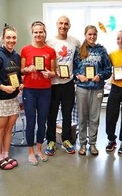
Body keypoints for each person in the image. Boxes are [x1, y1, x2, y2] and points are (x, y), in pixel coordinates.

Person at [20, 21, 56, 165]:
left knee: (42, 121)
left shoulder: (50, 51)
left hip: (45, 91)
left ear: (44, 33)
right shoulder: (25, 50)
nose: (38, 34)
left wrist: (50, 74)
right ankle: (30, 152)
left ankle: (39, 149)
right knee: (31, 122)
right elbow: (21, 70)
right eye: (36, 32)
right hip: (29, 90)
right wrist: (27, 69)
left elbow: (54, 72)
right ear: (32, 33)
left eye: (41, 32)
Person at [73, 25, 111, 156]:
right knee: (82, 117)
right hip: (82, 89)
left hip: (97, 89)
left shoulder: (101, 50)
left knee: (94, 118)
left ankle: (93, 144)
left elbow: (108, 70)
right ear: (85, 35)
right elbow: (73, 69)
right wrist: (79, 76)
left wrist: (99, 76)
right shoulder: (79, 50)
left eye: (94, 34)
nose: (92, 37)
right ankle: (82, 144)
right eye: (89, 34)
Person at [45, 16, 80, 156]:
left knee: (67, 114)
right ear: (56, 24)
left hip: (68, 84)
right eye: (61, 23)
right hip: (53, 85)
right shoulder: (49, 42)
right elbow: (46, 62)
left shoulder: (75, 42)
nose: (63, 26)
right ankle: (51, 141)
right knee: (51, 114)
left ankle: (66, 140)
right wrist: (54, 72)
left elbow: (79, 60)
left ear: (69, 26)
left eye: (66, 24)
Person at [0, 25, 22, 170]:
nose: (11, 40)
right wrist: (3, 87)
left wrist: (20, 85)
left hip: (13, 99)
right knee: (0, 130)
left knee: (9, 128)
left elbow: (18, 76)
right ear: (2, 39)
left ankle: (6, 154)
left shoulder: (17, 56)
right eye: (8, 37)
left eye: (14, 37)